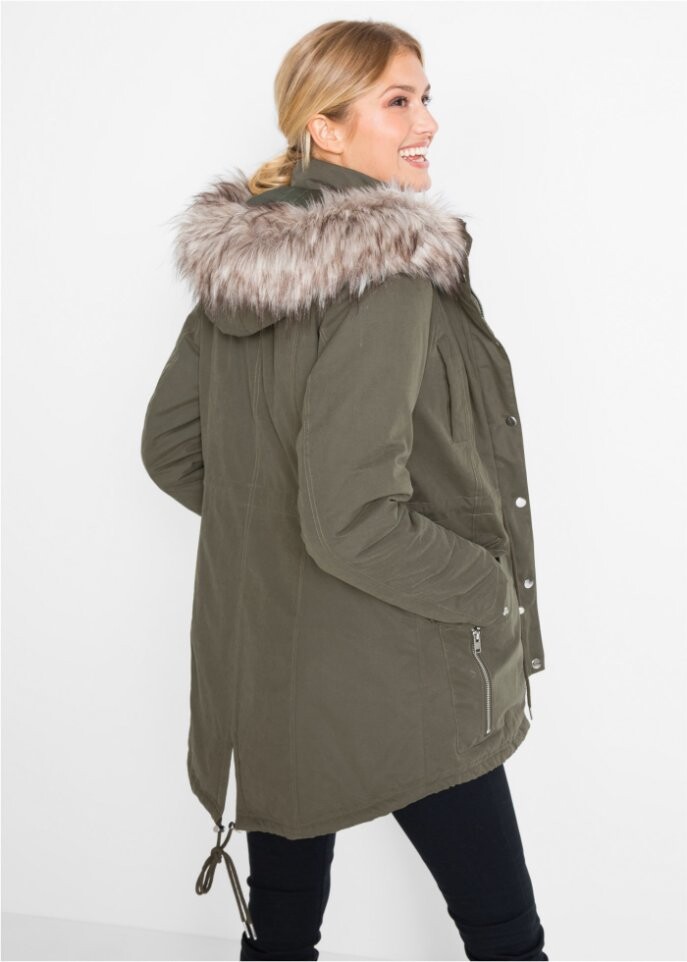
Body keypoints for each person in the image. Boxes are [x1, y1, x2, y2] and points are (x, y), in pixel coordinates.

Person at [141, 18, 548, 962]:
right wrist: (485, 585)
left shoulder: (239, 270)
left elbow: (170, 450)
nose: (426, 122)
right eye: (398, 101)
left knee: (282, 931)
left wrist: (282, 541)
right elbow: (352, 514)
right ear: (323, 127)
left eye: (425, 98)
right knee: (504, 935)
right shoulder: (386, 271)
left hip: (270, 676)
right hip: (398, 669)